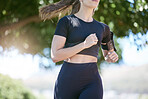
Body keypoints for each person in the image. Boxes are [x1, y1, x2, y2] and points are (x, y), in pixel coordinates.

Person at [51, 0, 118, 99]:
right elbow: (55, 56)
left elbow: (108, 55)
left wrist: (112, 57)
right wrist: (84, 45)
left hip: (92, 82)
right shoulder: (66, 22)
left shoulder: (104, 28)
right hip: (67, 80)